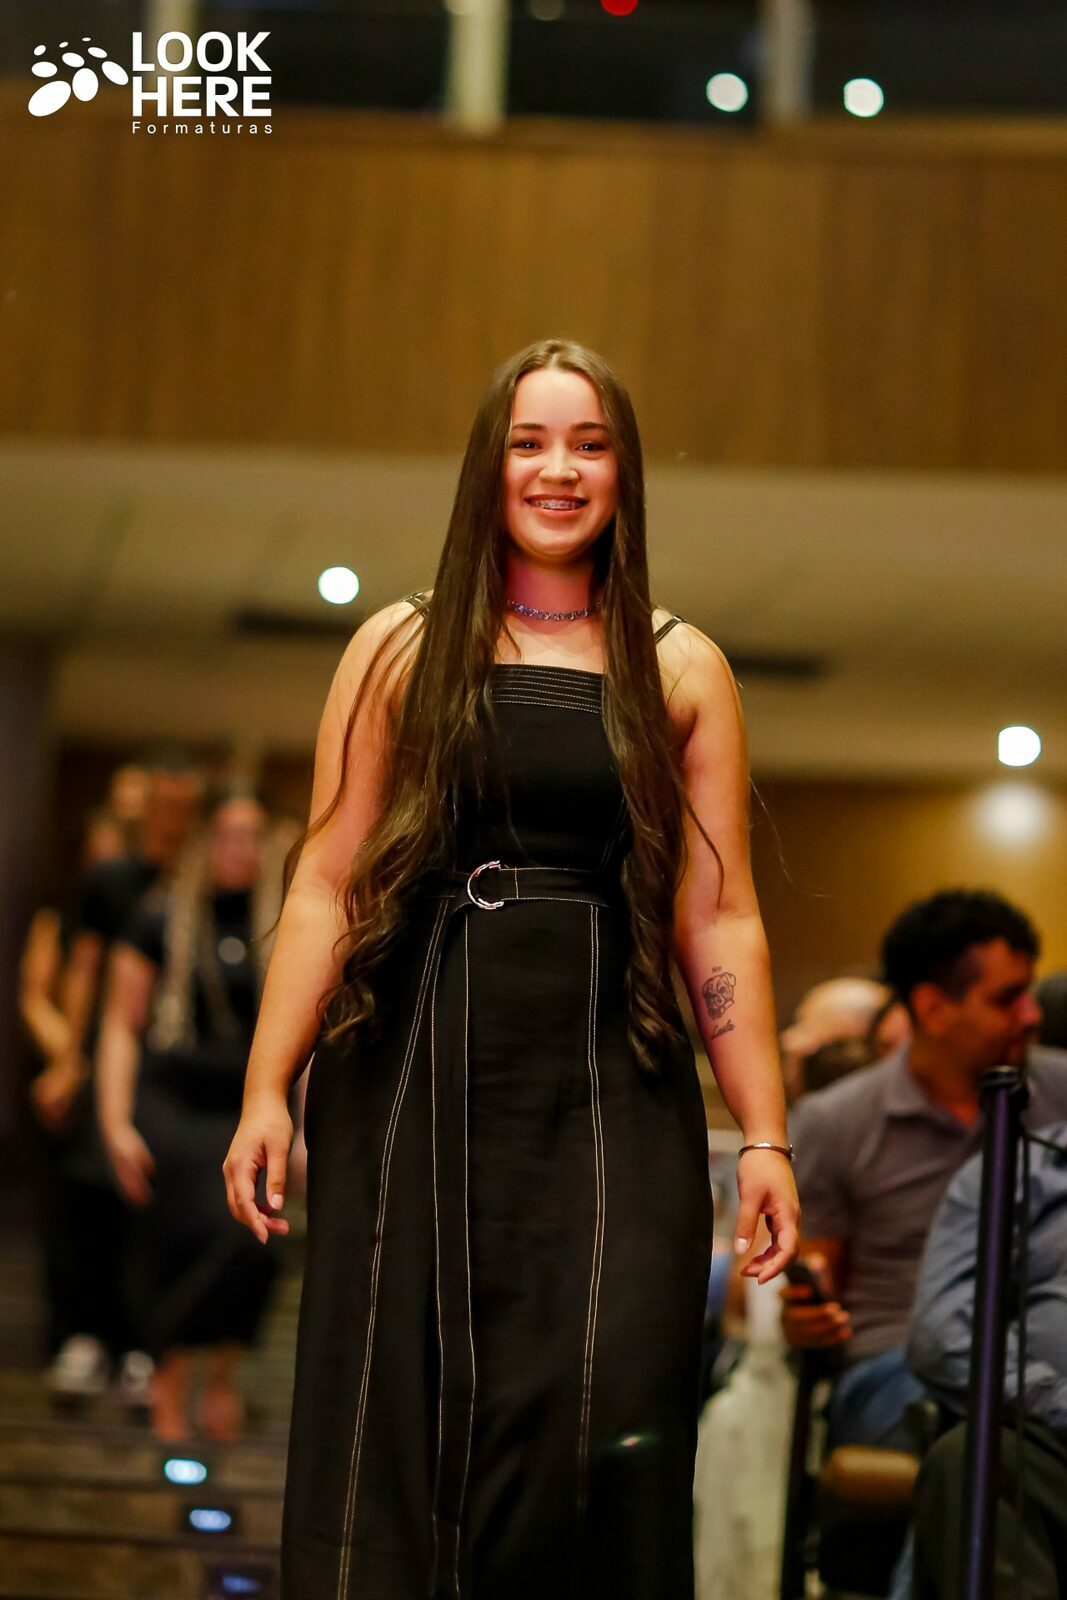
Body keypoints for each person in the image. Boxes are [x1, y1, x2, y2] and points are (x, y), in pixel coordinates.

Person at [223, 338, 800, 1600]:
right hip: (411, 1072)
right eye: (529, 443)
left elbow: (719, 919)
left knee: (605, 1402)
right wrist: (267, 1087)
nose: (557, 470)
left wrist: (763, 1131)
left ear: (623, 474)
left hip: (609, 1080)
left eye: (588, 445)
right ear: (487, 466)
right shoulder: (397, 646)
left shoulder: (681, 664)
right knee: (395, 1411)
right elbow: (325, 883)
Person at [784, 888, 1067, 1451]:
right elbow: (818, 1286)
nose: (1033, 1016)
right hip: (896, 1364)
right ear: (933, 1008)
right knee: (977, 1436)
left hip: (1040, 1347)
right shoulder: (835, 1121)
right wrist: (805, 1320)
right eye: (1008, 999)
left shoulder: (1060, 1089)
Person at [97, 789, 285, 1442]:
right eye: (228, 834)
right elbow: (120, 1026)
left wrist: (303, 1126)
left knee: (255, 1244)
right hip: (173, 1103)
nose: (240, 849)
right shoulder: (160, 917)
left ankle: (223, 1376)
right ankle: (171, 1378)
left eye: (253, 835)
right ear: (206, 841)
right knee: (190, 1236)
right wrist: (115, 1124)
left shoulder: (281, 924)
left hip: (246, 1105)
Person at [41, 754, 203, 1403]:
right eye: (164, 804)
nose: (171, 818)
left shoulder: (197, 883)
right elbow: (84, 969)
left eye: (183, 807)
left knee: (154, 1197)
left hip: (168, 1063)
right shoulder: (112, 878)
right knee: (89, 1190)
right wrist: (67, 1056)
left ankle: (142, 1343)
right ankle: (82, 1336)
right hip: (106, 1047)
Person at [899, 1119, 1067, 1599]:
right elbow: (940, 1335)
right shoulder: (1022, 1167)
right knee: (972, 1461)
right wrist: (1057, 1400)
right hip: (1054, 1436)